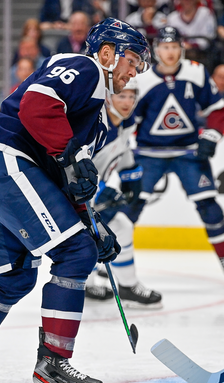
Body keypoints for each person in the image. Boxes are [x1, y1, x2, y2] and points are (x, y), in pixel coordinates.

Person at [0, 18, 150, 383]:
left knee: (13, 278)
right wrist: (71, 157)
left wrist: (92, 223)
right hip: (3, 161)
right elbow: (37, 106)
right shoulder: (86, 69)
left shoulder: (96, 123)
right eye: (132, 59)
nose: (134, 72)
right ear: (107, 53)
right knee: (75, 254)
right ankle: (53, 368)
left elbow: (66, 183)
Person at [129, 26, 224, 284]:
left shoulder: (196, 72)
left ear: (181, 49)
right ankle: (116, 261)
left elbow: (216, 108)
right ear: (156, 51)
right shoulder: (142, 79)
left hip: (188, 152)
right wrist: (125, 147)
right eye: (164, 47)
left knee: (209, 206)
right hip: (149, 153)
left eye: (174, 47)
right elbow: (129, 117)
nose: (169, 53)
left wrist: (211, 137)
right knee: (131, 205)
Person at [84, 79, 163, 308]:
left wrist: (131, 177)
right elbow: (74, 167)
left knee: (119, 227)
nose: (127, 102)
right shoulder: (95, 126)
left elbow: (124, 149)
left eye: (131, 96)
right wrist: (101, 191)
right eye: (121, 96)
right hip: (73, 197)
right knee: (86, 239)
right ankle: (84, 284)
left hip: (89, 196)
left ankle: (115, 286)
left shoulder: (125, 123)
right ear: (108, 98)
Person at [166, 0, 217, 66]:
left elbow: (209, 37)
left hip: (201, 53)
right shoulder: (172, 17)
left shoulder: (205, 13)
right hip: (178, 53)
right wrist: (182, 45)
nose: (187, 1)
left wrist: (192, 46)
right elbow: (170, 38)